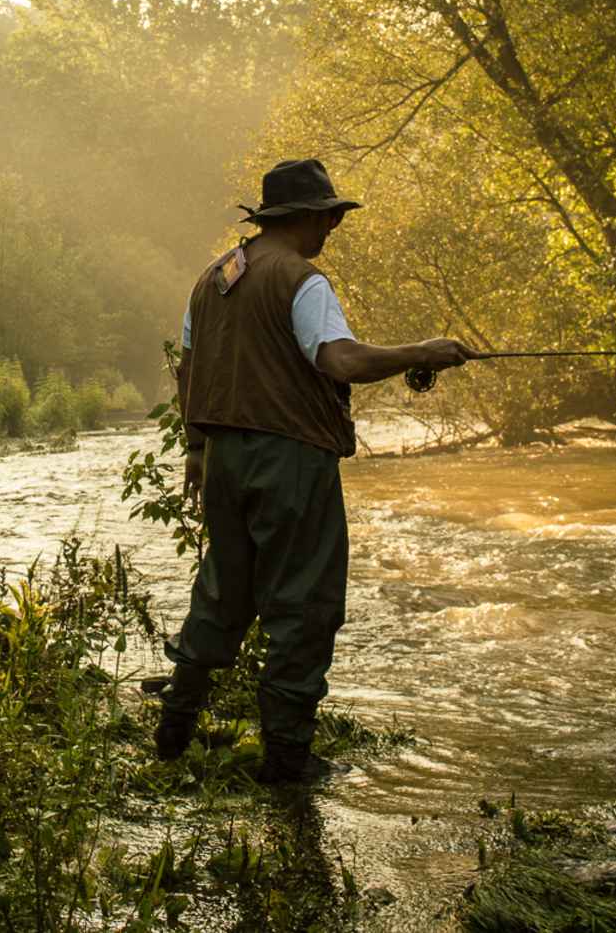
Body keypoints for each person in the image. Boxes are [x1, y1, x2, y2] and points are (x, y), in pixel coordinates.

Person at [157, 157, 480, 785]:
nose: (332, 228)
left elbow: (188, 373)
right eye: (329, 217)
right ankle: (287, 763)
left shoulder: (212, 278)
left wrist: (197, 449)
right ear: (304, 217)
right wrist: (426, 351)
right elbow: (341, 361)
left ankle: (172, 734)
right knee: (304, 605)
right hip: (290, 461)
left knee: (222, 593)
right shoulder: (302, 280)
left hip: (221, 459)